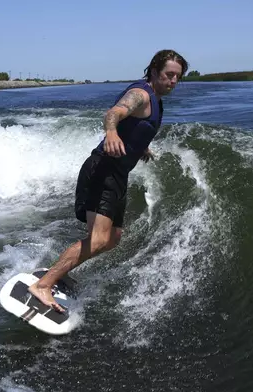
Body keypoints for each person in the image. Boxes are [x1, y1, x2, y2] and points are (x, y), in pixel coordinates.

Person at [28, 49, 189, 312]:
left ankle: (61, 269)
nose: (173, 81)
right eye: (168, 74)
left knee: (113, 237)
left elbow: (137, 127)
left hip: (118, 175)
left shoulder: (157, 101)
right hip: (102, 169)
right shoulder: (141, 95)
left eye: (177, 77)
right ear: (154, 71)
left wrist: (141, 147)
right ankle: (43, 285)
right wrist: (112, 132)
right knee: (99, 239)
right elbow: (114, 113)